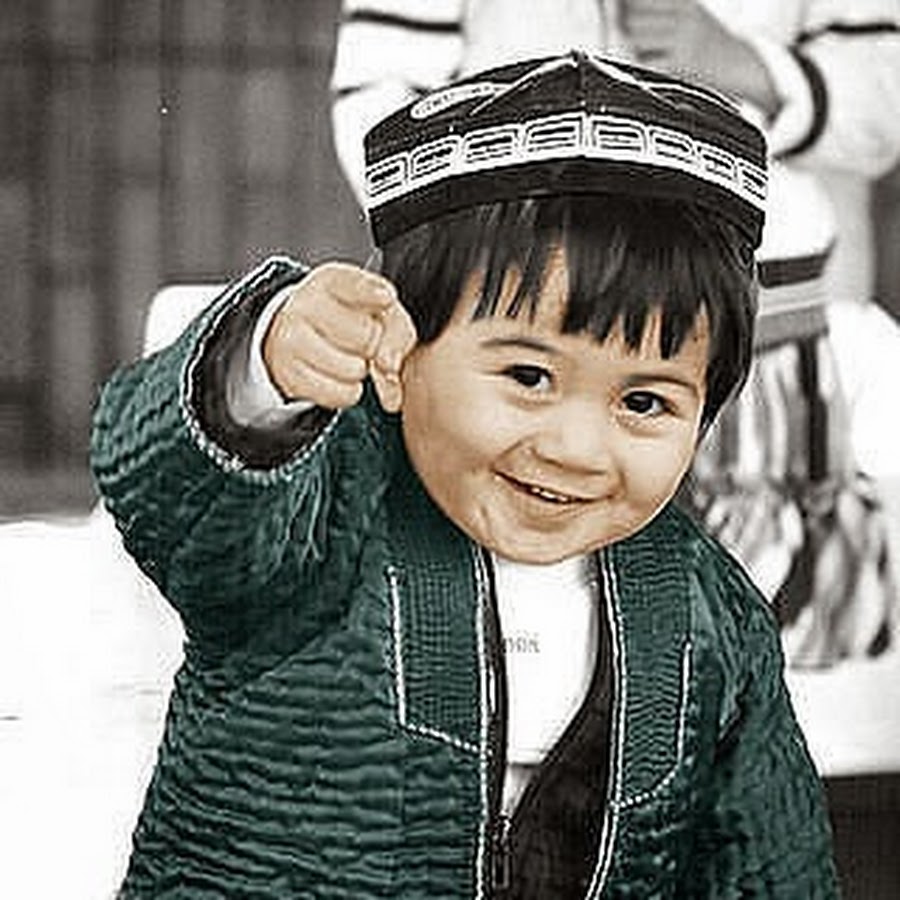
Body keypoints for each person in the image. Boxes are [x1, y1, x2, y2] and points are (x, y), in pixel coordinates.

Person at [92, 53, 839, 897]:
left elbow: (769, 858)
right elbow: (173, 493)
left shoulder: (709, 611)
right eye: (528, 376)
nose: (577, 449)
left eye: (644, 402)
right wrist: (264, 372)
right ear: (397, 357)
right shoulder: (318, 514)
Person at [332, 0, 900, 667]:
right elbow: (376, 93)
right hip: (515, 297)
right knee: (508, 615)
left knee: (763, 628)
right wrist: (477, 230)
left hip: (750, 322)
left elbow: (884, 98)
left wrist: (748, 66)